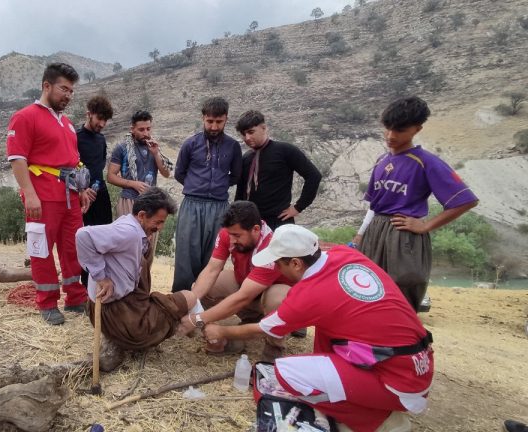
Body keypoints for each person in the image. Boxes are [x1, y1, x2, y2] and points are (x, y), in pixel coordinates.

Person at [204, 224, 434, 432]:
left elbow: (264, 329)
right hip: (419, 363)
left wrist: (222, 331)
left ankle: (374, 421)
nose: (275, 267)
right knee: (327, 328)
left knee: (286, 373)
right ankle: (368, 400)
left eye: (278, 263)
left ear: (295, 263)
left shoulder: (311, 293)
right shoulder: (345, 254)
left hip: (398, 382)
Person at [353, 96, 479, 312]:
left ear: (417, 129)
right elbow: (374, 205)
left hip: (402, 234)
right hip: (374, 232)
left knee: (401, 294)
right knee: (367, 289)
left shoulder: (426, 161)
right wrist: (361, 233)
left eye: (400, 130)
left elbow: (466, 201)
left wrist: (425, 225)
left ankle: (399, 341)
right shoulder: (382, 160)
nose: (391, 135)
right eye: (388, 128)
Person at [75, 187, 198, 371]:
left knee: (143, 260)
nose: (160, 228)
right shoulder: (129, 232)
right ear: (142, 215)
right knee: (189, 297)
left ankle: (190, 325)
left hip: (111, 309)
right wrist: (101, 277)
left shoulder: (130, 225)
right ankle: (200, 329)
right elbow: (82, 235)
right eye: (158, 222)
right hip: (117, 315)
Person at [5, 62, 90, 325]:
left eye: (71, 91)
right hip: (42, 196)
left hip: (70, 196)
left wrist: (82, 189)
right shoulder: (25, 117)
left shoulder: (66, 123)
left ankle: (76, 298)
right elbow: (17, 159)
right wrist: (29, 194)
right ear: (47, 86)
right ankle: (48, 303)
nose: (68, 95)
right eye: (64, 89)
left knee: (73, 249)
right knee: (41, 250)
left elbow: (72, 161)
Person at [177, 201, 293, 361]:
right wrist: (192, 301)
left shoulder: (270, 247)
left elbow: (243, 297)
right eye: (229, 234)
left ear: (256, 230)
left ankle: (274, 347)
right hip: (247, 284)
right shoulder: (230, 232)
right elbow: (211, 269)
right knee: (204, 286)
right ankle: (245, 322)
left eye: (237, 236)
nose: (231, 240)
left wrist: (197, 320)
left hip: (269, 292)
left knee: (278, 299)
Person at [172, 97, 243, 292]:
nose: (213, 126)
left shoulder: (233, 147)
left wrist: (217, 186)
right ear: (203, 118)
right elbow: (179, 173)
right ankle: (180, 303)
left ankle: (203, 306)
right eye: (209, 121)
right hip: (192, 205)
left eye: (218, 122)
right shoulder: (191, 144)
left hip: (220, 207)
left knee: (213, 256)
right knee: (186, 255)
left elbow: (236, 175)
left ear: (226, 119)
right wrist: (197, 186)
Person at [107, 110, 173, 278]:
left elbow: (166, 173)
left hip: (151, 205)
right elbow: (111, 176)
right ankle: (123, 284)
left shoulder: (154, 147)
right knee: (126, 246)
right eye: (141, 129)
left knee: (148, 248)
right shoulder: (122, 148)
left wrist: (156, 154)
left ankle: (142, 290)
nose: (146, 133)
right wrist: (133, 184)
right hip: (129, 201)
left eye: (148, 129)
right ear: (132, 129)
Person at [234, 110, 322, 230]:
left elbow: (313, 176)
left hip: (279, 222)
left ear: (264, 128)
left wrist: (298, 207)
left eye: (251, 132)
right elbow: (240, 191)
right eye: (243, 134)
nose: (247, 138)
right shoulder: (246, 158)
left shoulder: (285, 150)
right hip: (251, 223)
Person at [77, 95, 114, 287]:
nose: (102, 124)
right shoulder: (75, 137)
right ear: (88, 114)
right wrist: (82, 190)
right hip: (82, 197)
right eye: (99, 118)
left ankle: (102, 281)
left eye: (105, 120)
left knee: (105, 237)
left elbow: (98, 167)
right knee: (86, 239)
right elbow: (72, 167)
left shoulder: (101, 139)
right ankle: (84, 286)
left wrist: (96, 189)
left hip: (101, 194)